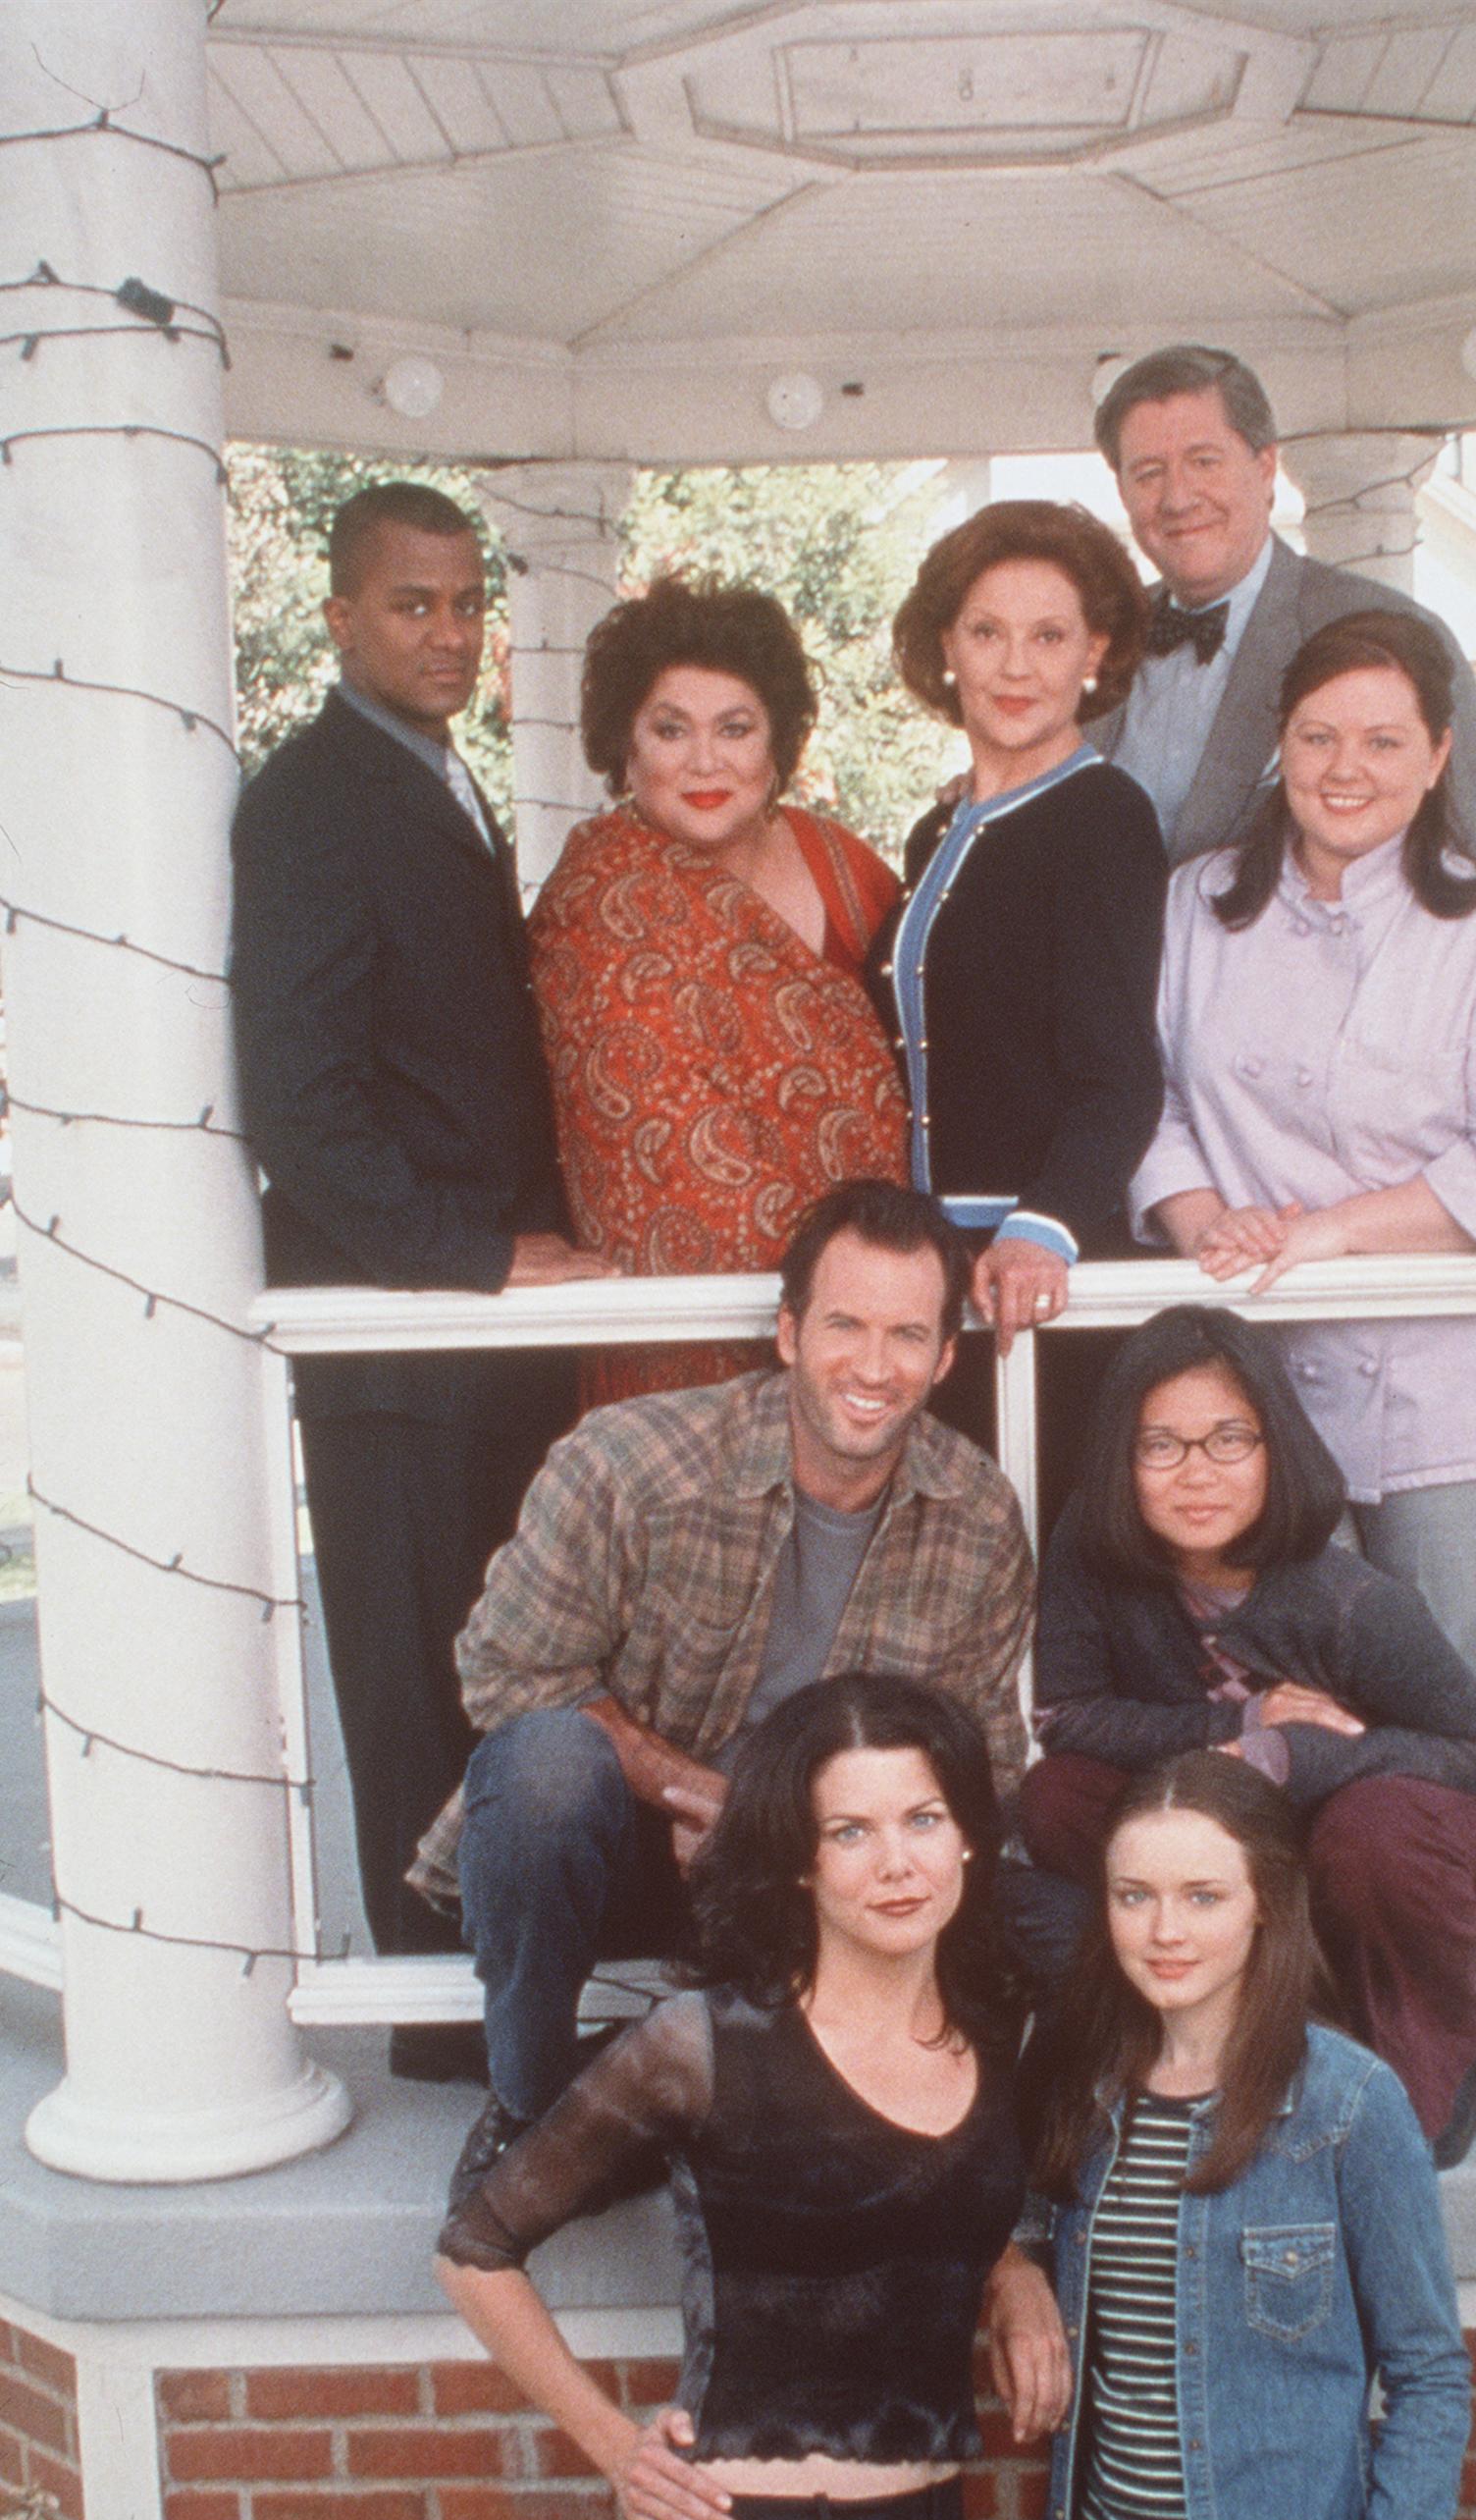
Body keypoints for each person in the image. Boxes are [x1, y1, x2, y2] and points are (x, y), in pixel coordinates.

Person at [438, 1672, 1071, 2520]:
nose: (895, 1862)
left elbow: (944, 2196)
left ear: (966, 1838)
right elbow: (476, 2246)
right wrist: (617, 2450)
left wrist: (1012, 2266)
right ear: (799, 1865)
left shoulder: (1005, 2037)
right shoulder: (701, 2043)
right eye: (851, 1831)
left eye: (922, 1819)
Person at [1133, 607, 1476, 1849]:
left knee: (1465, 1704)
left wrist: (1325, 1235)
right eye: (1319, 735)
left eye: (1383, 740)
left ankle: (1462, 1998)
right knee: (1281, 1696)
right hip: (1287, 1383)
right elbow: (1146, 1098)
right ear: (1280, 742)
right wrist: (1213, 1224)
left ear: (1437, 757)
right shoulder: (1189, 910)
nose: (1346, 768)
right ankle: (1317, 2005)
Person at [410, 1182, 1035, 2184]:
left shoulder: (976, 1515)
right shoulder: (631, 1462)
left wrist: (802, 1830)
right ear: (788, 1333)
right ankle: (527, 2104)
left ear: (946, 1357)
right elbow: (508, 1674)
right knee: (541, 1770)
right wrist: (704, 1796)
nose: (874, 1368)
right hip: (622, 1852)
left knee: (1017, 1885)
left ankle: (885, 2123)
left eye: (908, 1336)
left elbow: (980, 1762)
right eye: (845, 1326)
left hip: (808, 1872)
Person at [230, 482, 610, 2053]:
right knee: (412, 1687)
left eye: (468, 605)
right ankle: (439, 2024)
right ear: (338, 617)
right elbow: (301, 1101)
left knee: (496, 1666)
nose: (451, 634)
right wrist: (478, 1257)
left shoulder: (435, 778)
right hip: (399, 1341)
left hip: (478, 1347)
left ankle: (504, 2002)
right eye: (413, 605)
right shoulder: (312, 799)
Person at [995, 1750, 1471, 2520]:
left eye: (1202, 1896)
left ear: (1269, 1900)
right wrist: (1011, 2274)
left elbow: (1429, 2375)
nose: (1163, 1930)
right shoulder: (1085, 2084)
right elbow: (1031, 2228)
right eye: (1132, 1894)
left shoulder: (1349, 2111)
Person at [1021, 1305, 1476, 2164]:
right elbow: (1066, 1716)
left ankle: (1420, 2080)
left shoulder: (1347, 1597)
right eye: (1160, 1446)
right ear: (1123, 1459)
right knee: (1057, 1796)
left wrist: (1303, 1755)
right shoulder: (1089, 1550)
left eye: (1230, 1440)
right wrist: (1241, 1727)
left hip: (1391, 1838)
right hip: (1237, 1826)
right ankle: (1235, 2030)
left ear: (1274, 1447)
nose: (1196, 1475)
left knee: (1373, 1833)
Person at [528, 576, 908, 1408]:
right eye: (671, 730)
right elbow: (657, 1148)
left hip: (885, 1330)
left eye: (735, 729)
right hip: (685, 1344)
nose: (705, 761)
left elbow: (940, 1041)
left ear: (777, 747)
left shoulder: (837, 862)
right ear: (625, 748)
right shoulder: (598, 899)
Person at [1085, 343, 1476, 901]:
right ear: (1123, 492)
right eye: (1149, 473)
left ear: (1264, 468)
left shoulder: (1386, 629)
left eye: (1204, 461)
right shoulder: (1096, 636)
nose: (1178, 497)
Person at [873, 498, 1166, 1373]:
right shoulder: (940, 829)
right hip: (934, 1267)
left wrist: (1043, 1231)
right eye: (986, 632)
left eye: (1048, 636)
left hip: (1034, 1275)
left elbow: (1120, 1076)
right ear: (946, 647)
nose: (1014, 666)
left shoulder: (1104, 818)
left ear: (1095, 652)